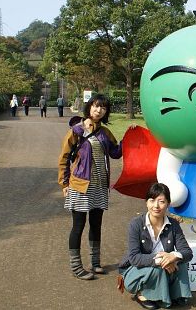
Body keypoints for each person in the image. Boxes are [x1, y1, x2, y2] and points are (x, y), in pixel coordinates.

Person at [57, 94, 123, 280]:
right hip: (80, 186)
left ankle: (95, 263)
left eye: (103, 108)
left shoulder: (105, 133)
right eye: (95, 106)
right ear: (89, 107)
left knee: (96, 224)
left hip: (100, 186)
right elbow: (63, 158)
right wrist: (64, 183)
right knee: (78, 225)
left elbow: (116, 153)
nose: (99, 110)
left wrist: (129, 139)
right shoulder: (77, 131)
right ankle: (77, 267)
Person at [118, 183, 193, 309]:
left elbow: (187, 252)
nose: (156, 206)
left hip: (162, 270)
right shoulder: (135, 224)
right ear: (146, 202)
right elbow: (134, 258)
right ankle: (142, 294)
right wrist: (161, 260)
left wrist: (173, 256)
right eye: (152, 200)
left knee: (180, 261)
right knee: (156, 268)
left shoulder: (173, 225)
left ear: (168, 204)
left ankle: (173, 294)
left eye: (161, 201)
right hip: (136, 271)